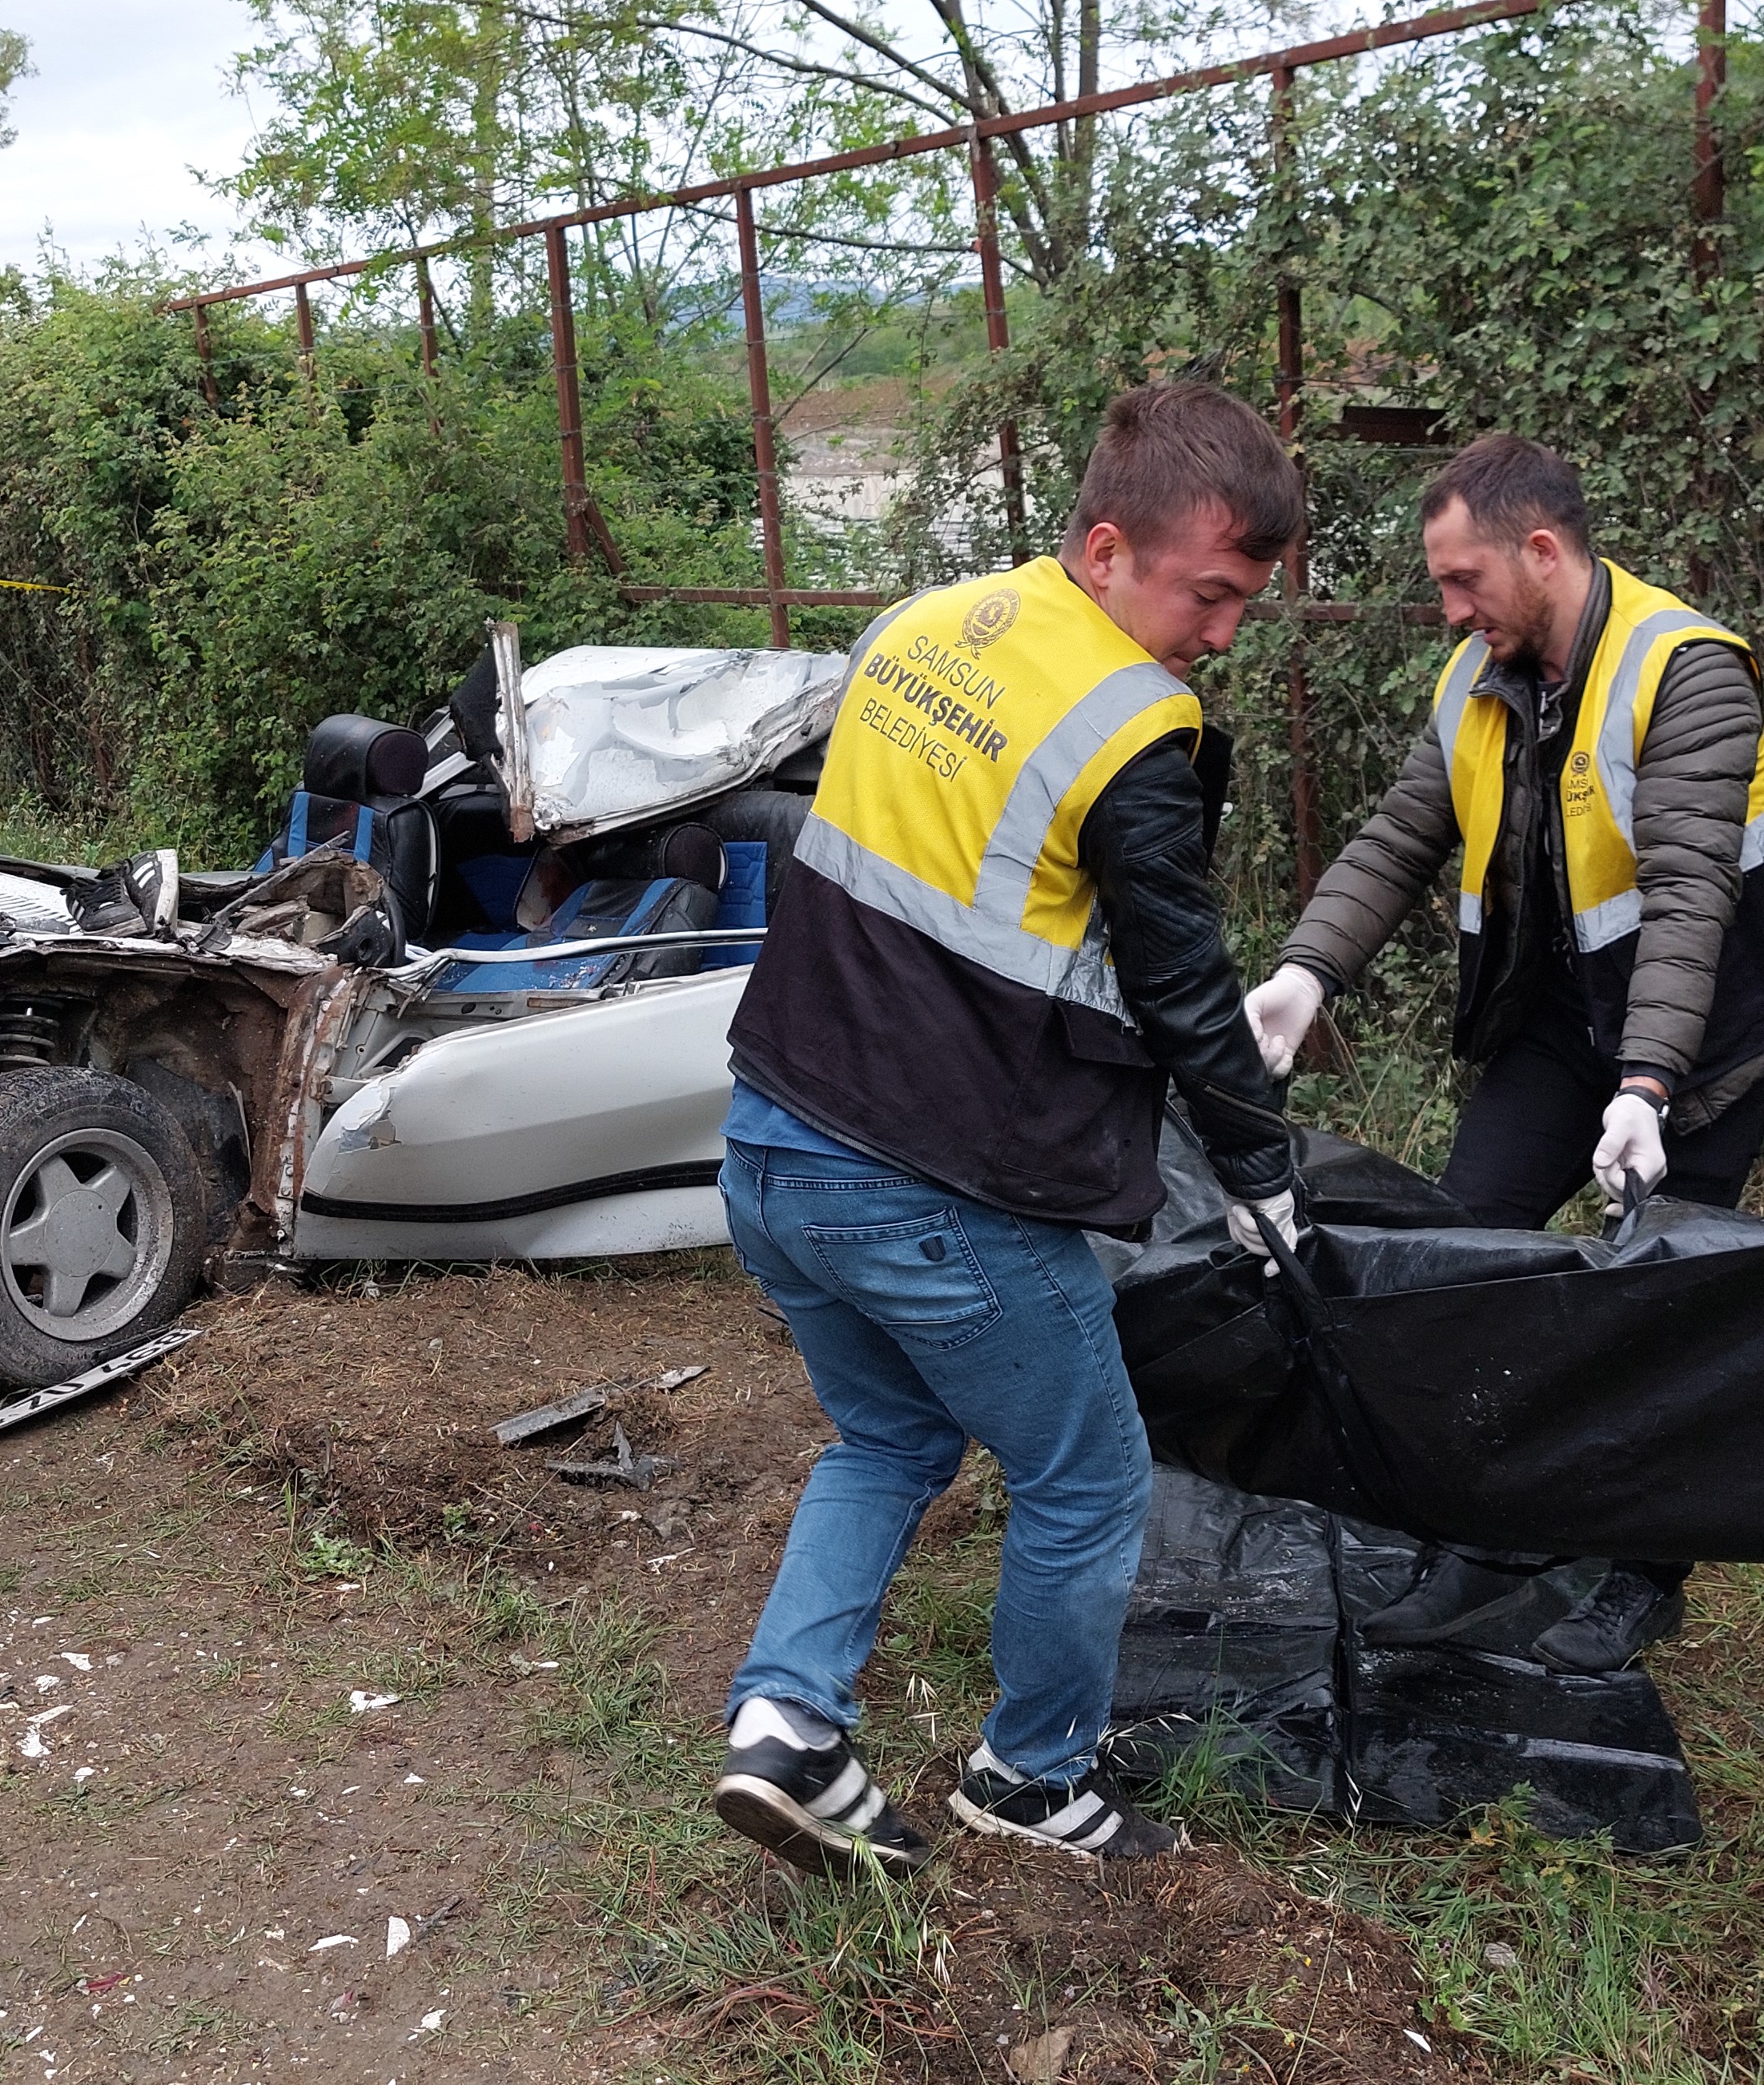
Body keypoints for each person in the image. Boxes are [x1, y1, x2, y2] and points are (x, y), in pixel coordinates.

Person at [709, 382, 1305, 1878]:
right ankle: (1032, 1783)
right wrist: (1262, 1171)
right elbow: (1180, 980)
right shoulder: (1130, 728)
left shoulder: (923, 628)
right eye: (1211, 595)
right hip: (931, 1188)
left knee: (892, 1433)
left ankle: (787, 1728)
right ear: (1109, 549)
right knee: (1089, 1477)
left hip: (769, 1142)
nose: (1222, 638)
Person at [1239, 432, 1764, 1673]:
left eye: (1465, 581)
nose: (1450, 608)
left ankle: (1642, 1571)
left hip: (1705, 1044)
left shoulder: (1689, 672)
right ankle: (1487, 1526)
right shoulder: (1478, 672)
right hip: (1559, 1023)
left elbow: (1682, 895)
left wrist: (1652, 1086)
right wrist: (1306, 972)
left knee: (1664, 1301)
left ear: (1543, 552)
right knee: (1464, 1254)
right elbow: (1406, 831)